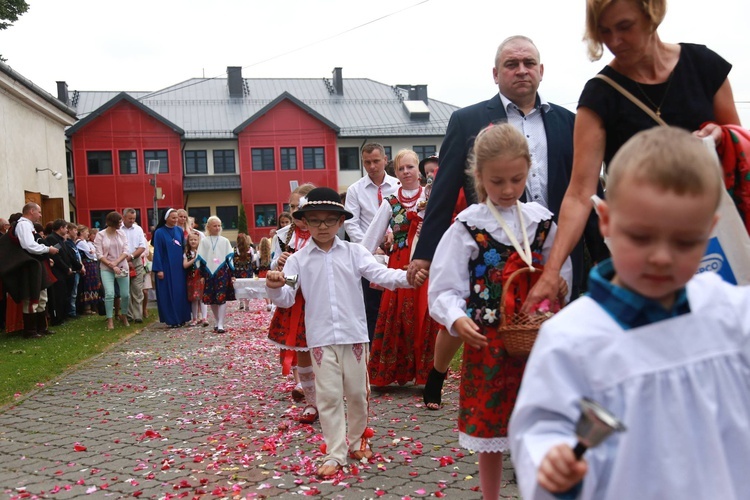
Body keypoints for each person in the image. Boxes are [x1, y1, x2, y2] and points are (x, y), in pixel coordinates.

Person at [509, 126, 750, 499]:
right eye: (641, 236)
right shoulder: (572, 339)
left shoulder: (733, 315)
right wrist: (551, 461)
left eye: (685, 241)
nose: (661, 256)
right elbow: (542, 426)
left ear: (709, 230)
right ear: (605, 220)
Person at [410, 35, 597, 410]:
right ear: (496, 74)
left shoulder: (570, 122)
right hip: (490, 250)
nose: (521, 70)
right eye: (512, 64)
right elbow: (444, 188)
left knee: (546, 341)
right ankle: (441, 372)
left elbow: (588, 188)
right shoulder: (468, 120)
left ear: (541, 71)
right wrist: (426, 253)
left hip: (552, 249)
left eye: (529, 63)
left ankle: (533, 426)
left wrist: (607, 250)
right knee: (478, 324)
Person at [525, 0, 742, 307]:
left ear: (652, 15)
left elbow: (740, 146)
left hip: (715, 231)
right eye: (604, 32)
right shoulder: (599, 94)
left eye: (625, 27)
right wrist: (552, 271)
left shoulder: (704, 66)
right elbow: (579, 192)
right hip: (646, 248)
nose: (614, 41)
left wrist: (722, 135)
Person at [428, 124, 571, 500]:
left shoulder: (541, 221)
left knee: (537, 424)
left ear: (528, 171)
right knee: (490, 431)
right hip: (488, 340)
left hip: (536, 335)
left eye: (516, 179)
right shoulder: (468, 226)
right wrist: (457, 317)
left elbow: (561, 270)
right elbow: (445, 286)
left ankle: (538, 490)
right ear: (479, 177)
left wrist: (558, 293)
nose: (508, 189)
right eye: (497, 181)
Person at [266, 187, 428, 478]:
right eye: (315, 220)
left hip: (354, 335)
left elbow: (381, 275)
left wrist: (407, 277)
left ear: (341, 222)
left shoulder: (355, 252)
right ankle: (335, 452)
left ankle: (357, 440)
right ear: (305, 222)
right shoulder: (297, 260)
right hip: (320, 338)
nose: (323, 226)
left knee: (357, 393)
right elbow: (287, 299)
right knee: (328, 396)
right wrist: (275, 287)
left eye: (330, 220)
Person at [362, 149, 438, 387]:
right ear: (395, 172)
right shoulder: (391, 202)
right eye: (401, 168)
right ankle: (392, 373)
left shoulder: (433, 197)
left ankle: (427, 375)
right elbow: (370, 239)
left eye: (410, 167)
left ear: (419, 170)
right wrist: (355, 262)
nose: (406, 172)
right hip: (399, 265)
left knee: (424, 314)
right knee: (396, 315)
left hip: (426, 263)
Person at [268, 183, 317, 421]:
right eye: (292, 206)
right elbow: (273, 266)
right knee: (302, 350)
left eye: (301, 206)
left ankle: (327, 396)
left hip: (318, 297)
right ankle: (310, 400)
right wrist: (279, 265)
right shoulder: (282, 235)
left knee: (324, 351)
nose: (296, 211)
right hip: (294, 298)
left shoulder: (322, 231)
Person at [344, 143, 400, 342]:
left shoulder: (398, 186)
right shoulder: (355, 190)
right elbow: (351, 223)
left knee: (396, 301)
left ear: (385, 160)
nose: (372, 166)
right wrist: (369, 245)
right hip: (369, 255)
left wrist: (395, 236)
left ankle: (396, 344)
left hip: (396, 251)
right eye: (367, 162)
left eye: (376, 161)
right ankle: (374, 347)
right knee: (371, 306)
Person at [0, 204, 58, 338]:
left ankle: (41, 327)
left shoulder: (28, 225)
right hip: (29, 265)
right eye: (39, 212)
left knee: (42, 296)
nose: (40, 215)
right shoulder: (23, 225)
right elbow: (29, 245)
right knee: (31, 297)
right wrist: (47, 249)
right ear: (31, 211)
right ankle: (30, 331)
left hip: (36, 264)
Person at [152, 208, 191, 328]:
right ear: (166, 218)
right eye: (173, 218)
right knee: (168, 293)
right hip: (165, 267)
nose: (176, 220)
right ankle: (172, 319)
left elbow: (184, 248)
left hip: (179, 268)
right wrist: (159, 269)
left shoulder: (179, 230)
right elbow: (157, 252)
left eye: (176, 218)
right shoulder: (159, 232)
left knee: (180, 293)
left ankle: (182, 317)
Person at [197, 215, 235, 333]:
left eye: (219, 225)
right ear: (208, 227)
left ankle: (221, 323)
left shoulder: (225, 241)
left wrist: (233, 273)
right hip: (209, 273)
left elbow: (230, 259)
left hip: (222, 272)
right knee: (212, 298)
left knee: (221, 297)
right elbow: (201, 258)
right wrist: (202, 274)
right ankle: (217, 320)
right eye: (215, 226)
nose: (217, 228)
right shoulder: (204, 241)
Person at [93, 211, 131, 331]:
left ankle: (124, 315)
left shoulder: (122, 234)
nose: (121, 223)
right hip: (106, 268)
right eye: (119, 222)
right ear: (113, 222)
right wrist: (111, 265)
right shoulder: (100, 235)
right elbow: (99, 254)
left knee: (125, 294)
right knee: (109, 293)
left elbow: (126, 250)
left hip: (121, 267)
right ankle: (110, 319)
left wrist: (116, 263)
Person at [45, 219, 82, 325]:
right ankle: (57, 318)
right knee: (58, 296)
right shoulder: (52, 239)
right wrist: (66, 268)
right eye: (66, 228)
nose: (67, 230)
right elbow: (56, 256)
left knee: (64, 294)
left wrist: (78, 266)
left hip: (64, 271)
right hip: (57, 271)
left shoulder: (61, 239)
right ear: (61, 228)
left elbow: (68, 254)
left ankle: (63, 315)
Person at [122, 208, 148, 324]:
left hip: (136, 261)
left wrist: (131, 257)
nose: (132, 220)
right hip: (121, 261)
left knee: (137, 289)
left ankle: (138, 315)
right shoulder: (118, 229)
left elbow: (142, 247)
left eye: (134, 218)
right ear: (124, 217)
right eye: (130, 218)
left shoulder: (138, 229)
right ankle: (128, 315)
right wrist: (124, 259)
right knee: (125, 290)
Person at [76, 225, 100, 315]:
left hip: (90, 264)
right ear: (81, 232)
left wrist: (92, 252)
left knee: (91, 285)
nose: (88, 234)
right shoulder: (81, 242)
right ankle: (87, 308)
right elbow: (91, 254)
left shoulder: (84, 242)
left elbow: (93, 252)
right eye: (86, 232)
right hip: (88, 265)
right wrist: (92, 252)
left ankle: (92, 306)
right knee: (88, 285)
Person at [184, 232, 205, 327]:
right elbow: (185, 265)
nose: (193, 241)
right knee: (194, 299)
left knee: (202, 298)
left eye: (195, 240)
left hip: (200, 277)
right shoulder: (187, 253)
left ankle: (204, 317)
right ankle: (195, 318)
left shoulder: (202, 252)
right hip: (191, 278)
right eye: (191, 240)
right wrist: (194, 259)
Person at [64, 223, 84, 318]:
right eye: (75, 230)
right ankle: (71, 312)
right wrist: (79, 266)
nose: (76, 232)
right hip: (73, 270)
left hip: (78, 269)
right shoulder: (67, 243)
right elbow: (72, 257)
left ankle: (74, 310)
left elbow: (77, 256)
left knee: (75, 292)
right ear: (69, 231)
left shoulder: (72, 242)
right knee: (72, 292)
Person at [233, 233, 254, 311]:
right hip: (248, 270)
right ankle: (247, 305)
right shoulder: (250, 249)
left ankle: (241, 301)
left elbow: (232, 260)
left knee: (239, 286)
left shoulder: (234, 249)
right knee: (247, 287)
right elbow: (253, 259)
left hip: (238, 270)